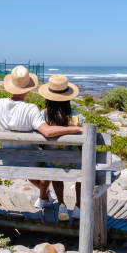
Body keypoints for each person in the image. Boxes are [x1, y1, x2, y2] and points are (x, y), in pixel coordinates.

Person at [0, 66, 82, 208]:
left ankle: (45, 197)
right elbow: (47, 132)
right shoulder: (30, 109)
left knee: (48, 161)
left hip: (7, 161)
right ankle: (45, 196)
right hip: (31, 163)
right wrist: (76, 128)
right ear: (28, 88)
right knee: (48, 161)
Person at [37, 74, 83, 222]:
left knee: (54, 165)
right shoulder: (77, 117)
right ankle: (78, 207)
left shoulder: (43, 116)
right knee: (83, 169)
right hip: (75, 163)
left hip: (52, 161)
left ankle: (62, 205)